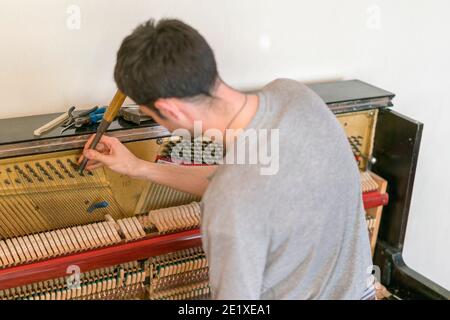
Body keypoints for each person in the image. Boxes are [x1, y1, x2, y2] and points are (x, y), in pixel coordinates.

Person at [81, 18, 375, 299]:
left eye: (150, 114)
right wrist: (138, 167)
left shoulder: (230, 201)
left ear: (171, 110)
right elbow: (246, 183)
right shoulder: (293, 95)